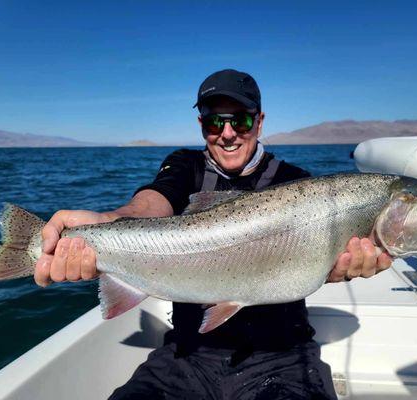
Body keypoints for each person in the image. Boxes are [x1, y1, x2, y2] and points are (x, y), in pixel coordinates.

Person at [34, 69, 393, 399]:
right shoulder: (184, 166)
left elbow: (321, 261)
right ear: (201, 124)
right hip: (187, 353)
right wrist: (107, 220)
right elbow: (151, 203)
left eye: (241, 119)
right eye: (213, 121)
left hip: (280, 354)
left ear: (260, 122)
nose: (227, 132)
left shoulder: (298, 183)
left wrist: (338, 265)